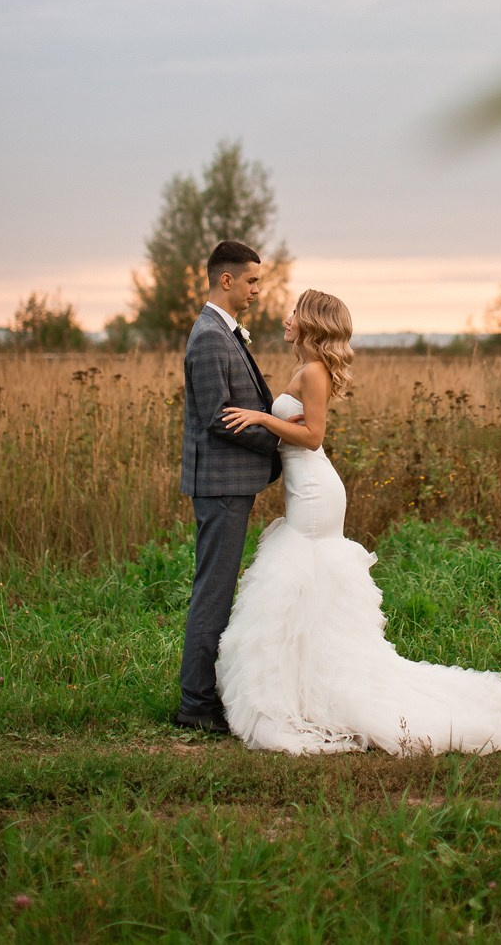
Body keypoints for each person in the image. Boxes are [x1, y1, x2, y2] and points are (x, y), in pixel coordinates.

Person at [216, 289, 501, 755]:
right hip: (307, 485)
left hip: (315, 492)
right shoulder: (305, 368)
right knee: (305, 585)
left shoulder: (314, 371)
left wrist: (261, 417)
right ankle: (307, 678)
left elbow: (313, 436)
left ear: (311, 321)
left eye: (294, 311)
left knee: (301, 575)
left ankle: (320, 685)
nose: (286, 316)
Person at [173, 240, 282, 734]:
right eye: (253, 281)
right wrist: (277, 445)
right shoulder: (211, 337)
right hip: (220, 485)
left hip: (228, 483)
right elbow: (219, 417)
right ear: (227, 280)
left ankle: (204, 695)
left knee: (215, 588)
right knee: (213, 591)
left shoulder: (222, 331)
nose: (258, 290)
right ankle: (195, 706)